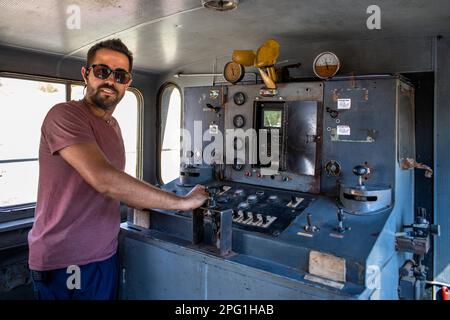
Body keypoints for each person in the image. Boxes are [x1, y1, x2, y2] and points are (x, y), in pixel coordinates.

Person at [27, 38, 207, 300]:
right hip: (66, 260)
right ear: (86, 74)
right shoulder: (65, 115)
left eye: (120, 75)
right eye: (102, 72)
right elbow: (105, 180)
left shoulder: (113, 126)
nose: (111, 80)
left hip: (103, 255)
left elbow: (118, 180)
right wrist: (181, 203)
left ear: (128, 83)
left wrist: (157, 196)